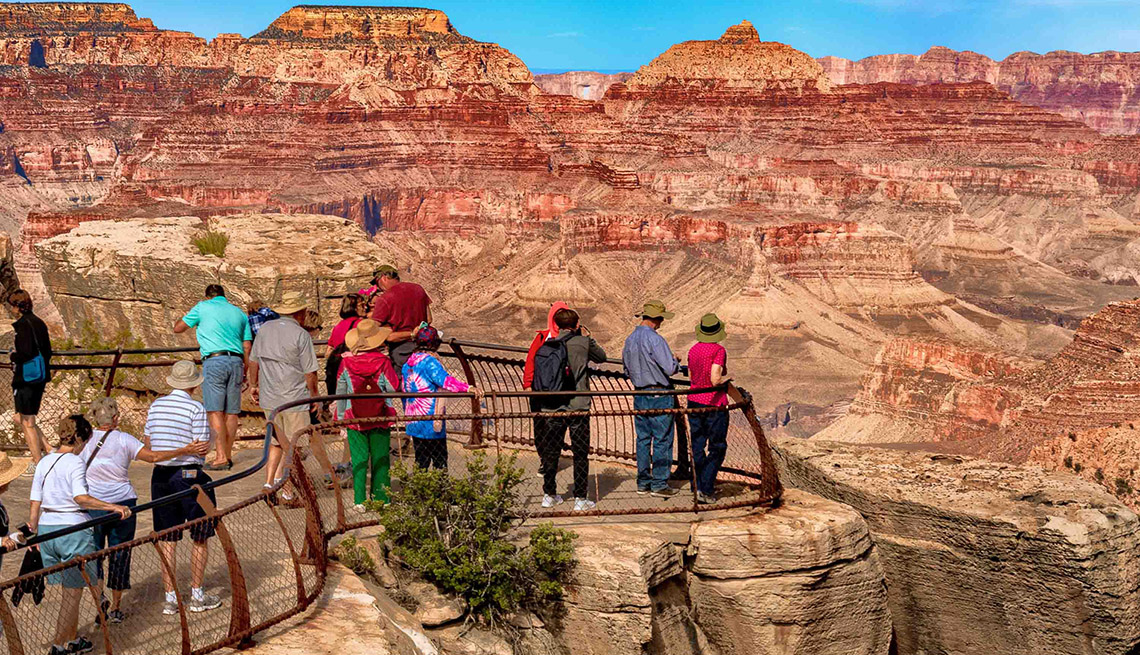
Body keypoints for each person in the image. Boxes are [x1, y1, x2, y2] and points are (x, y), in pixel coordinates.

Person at [84, 395, 209, 624]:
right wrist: (184, 450)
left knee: (95, 556)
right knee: (120, 553)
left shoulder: (85, 440)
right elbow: (152, 456)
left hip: (93, 505)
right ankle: (117, 606)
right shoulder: (124, 439)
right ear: (116, 417)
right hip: (123, 503)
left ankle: (99, 599)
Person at [29, 415, 131, 655]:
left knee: (67, 589)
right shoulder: (74, 462)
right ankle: (58, 646)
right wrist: (112, 507)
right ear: (81, 439)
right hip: (72, 529)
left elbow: (35, 500)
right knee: (72, 595)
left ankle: (72, 640)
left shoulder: (45, 461)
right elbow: (80, 498)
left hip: (47, 529)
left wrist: (33, 530)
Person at [146, 361, 223, 616]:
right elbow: (202, 448)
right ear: (193, 384)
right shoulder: (195, 408)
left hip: (160, 476)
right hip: (188, 474)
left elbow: (149, 441)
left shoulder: (156, 406)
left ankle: (170, 597)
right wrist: (212, 437)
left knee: (168, 537)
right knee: (200, 533)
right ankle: (197, 594)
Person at [533, 309, 607, 511]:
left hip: (552, 406)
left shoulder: (548, 344)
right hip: (578, 407)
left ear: (556, 325)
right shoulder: (582, 343)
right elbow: (602, 357)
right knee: (580, 453)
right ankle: (580, 498)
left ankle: (549, 494)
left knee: (551, 451)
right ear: (576, 324)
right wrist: (588, 337)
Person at [174, 284, 252, 472]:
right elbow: (247, 345)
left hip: (214, 361)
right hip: (236, 361)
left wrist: (184, 315)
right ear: (224, 296)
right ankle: (228, 453)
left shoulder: (202, 307)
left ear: (208, 296)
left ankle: (220, 457)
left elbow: (178, 328)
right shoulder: (239, 313)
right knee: (232, 412)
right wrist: (245, 369)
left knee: (215, 411)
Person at [248, 291, 319, 494]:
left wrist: (253, 385)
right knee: (294, 446)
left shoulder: (264, 330)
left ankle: (269, 483)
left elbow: (254, 361)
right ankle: (289, 488)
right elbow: (310, 372)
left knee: (277, 442)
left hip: (270, 397)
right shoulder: (301, 335)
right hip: (294, 398)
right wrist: (315, 397)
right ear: (300, 312)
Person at [334, 320, 400, 512]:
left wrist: (340, 420)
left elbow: (340, 391)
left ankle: (360, 500)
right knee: (380, 457)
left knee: (359, 459)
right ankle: (382, 498)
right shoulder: (383, 362)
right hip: (380, 415)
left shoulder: (346, 362)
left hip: (353, 417)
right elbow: (392, 387)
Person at [622, 300, 681, 499]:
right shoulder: (655, 340)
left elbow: (626, 370)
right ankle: (659, 483)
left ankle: (643, 482)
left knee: (643, 439)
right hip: (660, 395)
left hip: (639, 394)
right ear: (657, 319)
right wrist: (676, 361)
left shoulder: (630, 340)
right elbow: (670, 369)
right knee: (662, 439)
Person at [402, 327, 481, 470]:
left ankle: (419, 490)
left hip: (414, 419)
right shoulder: (430, 363)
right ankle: (439, 491)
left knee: (421, 460)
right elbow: (445, 381)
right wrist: (468, 388)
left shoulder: (408, 364)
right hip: (431, 419)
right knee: (439, 459)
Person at [686, 314, 730, 505]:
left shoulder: (693, 349)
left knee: (697, 443)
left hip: (694, 400)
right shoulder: (719, 350)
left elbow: (691, 375)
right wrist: (724, 382)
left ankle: (696, 483)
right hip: (713, 403)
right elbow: (715, 378)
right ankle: (706, 487)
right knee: (717, 446)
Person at [524, 302, 571, 478]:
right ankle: (545, 459)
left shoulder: (569, 338)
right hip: (539, 390)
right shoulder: (543, 338)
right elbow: (530, 361)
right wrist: (528, 384)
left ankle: (552, 460)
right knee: (540, 426)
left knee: (557, 427)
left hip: (559, 391)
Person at [7, 289, 52, 466]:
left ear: (18, 306)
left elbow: (25, 353)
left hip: (26, 379)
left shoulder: (23, 325)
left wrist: (12, 355)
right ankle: (48, 447)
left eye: (12, 305)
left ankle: (37, 461)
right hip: (39, 377)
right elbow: (47, 351)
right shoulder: (39, 323)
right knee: (21, 417)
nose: (11, 309)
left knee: (27, 421)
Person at [369, 265, 433, 372]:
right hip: (423, 347)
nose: (377, 287)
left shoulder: (384, 299)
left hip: (401, 351)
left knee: (403, 384)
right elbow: (429, 319)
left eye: (376, 282)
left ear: (383, 278)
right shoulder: (418, 288)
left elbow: (375, 329)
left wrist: (411, 333)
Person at [325, 293, 365, 398]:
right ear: (354, 308)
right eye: (361, 305)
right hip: (356, 371)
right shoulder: (361, 324)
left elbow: (328, 351)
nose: (365, 308)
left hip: (340, 372)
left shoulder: (337, 327)